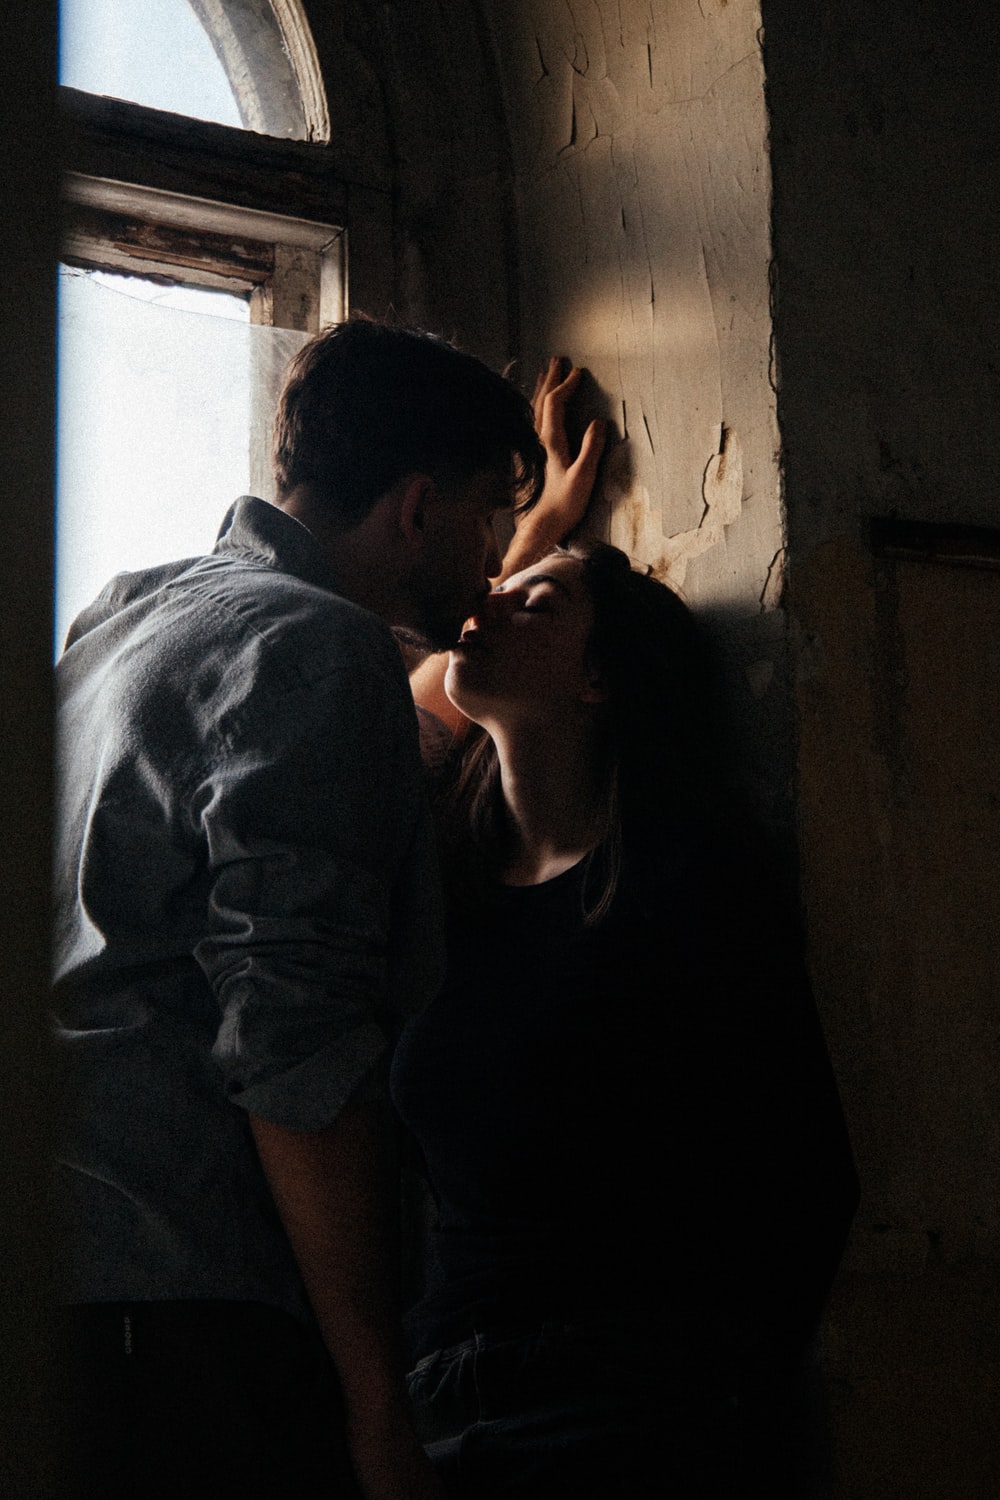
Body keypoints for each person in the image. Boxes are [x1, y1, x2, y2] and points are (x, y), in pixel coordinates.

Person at [50, 318, 545, 1500]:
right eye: (489, 520)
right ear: (417, 508)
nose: (493, 564)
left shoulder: (127, 615)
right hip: (175, 1317)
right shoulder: (321, 648)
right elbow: (293, 1040)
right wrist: (377, 1401)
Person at [393, 361, 859, 1498]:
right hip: (443, 1407)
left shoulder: (688, 885)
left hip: (631, 1419)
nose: (483, 608)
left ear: (601, 682)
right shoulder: (441, 886)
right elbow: (410, 690)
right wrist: (542, 527)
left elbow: (806, 1180)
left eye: (537, 605)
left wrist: (714, 1402)